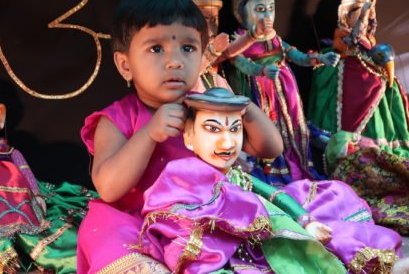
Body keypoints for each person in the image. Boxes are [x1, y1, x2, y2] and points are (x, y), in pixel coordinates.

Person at [76, 0, 283, 273]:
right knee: (114, 242)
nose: (175, 61)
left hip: (205, 214)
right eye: (156, 48)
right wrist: (148, 134)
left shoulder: (206, 109)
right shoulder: (116, 119)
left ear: (200, 59)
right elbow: (108, 188)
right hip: (135, 222)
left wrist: (241, 107)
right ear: (125, 65)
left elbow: (271, 148)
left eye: (188, 48)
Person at [137, 87, 402, 273]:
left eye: (235, 129)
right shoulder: (183, 175)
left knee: (331, 213)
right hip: (228, 249)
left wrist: (304, 219)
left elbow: (272, 194)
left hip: (266, 236)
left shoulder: (237, 175)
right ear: (188, 136)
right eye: (212, 129)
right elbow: (174, 216)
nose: (227, 142)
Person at [307, 0, 409, 234]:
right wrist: (364, 9)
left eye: (368, 17)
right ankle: (349, 154)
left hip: (372, 76)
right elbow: (350, 42)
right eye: (358, 15)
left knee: (385, 69)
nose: (365, 22)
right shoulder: (343, 38)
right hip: (347, 75)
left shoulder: (371, 43)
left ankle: (377, 149)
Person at [0, 86, 96, 273]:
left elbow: (25, 172)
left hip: (16, 212)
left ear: (1, 115)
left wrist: (36, 195)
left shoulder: (9, 153)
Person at [227, 0, 340, 186]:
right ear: (241, 11)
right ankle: (271, 170)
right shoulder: (239, 39)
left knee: (292, 126)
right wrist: (260, 70)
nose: (267, 15)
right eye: (260, 9)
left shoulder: (275, 38)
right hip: (260, 91)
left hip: (286, 90)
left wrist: (320, 59)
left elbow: (295, 55)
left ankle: (296, 165)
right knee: (269, 129)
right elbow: (240, 63)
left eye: (271, 8)